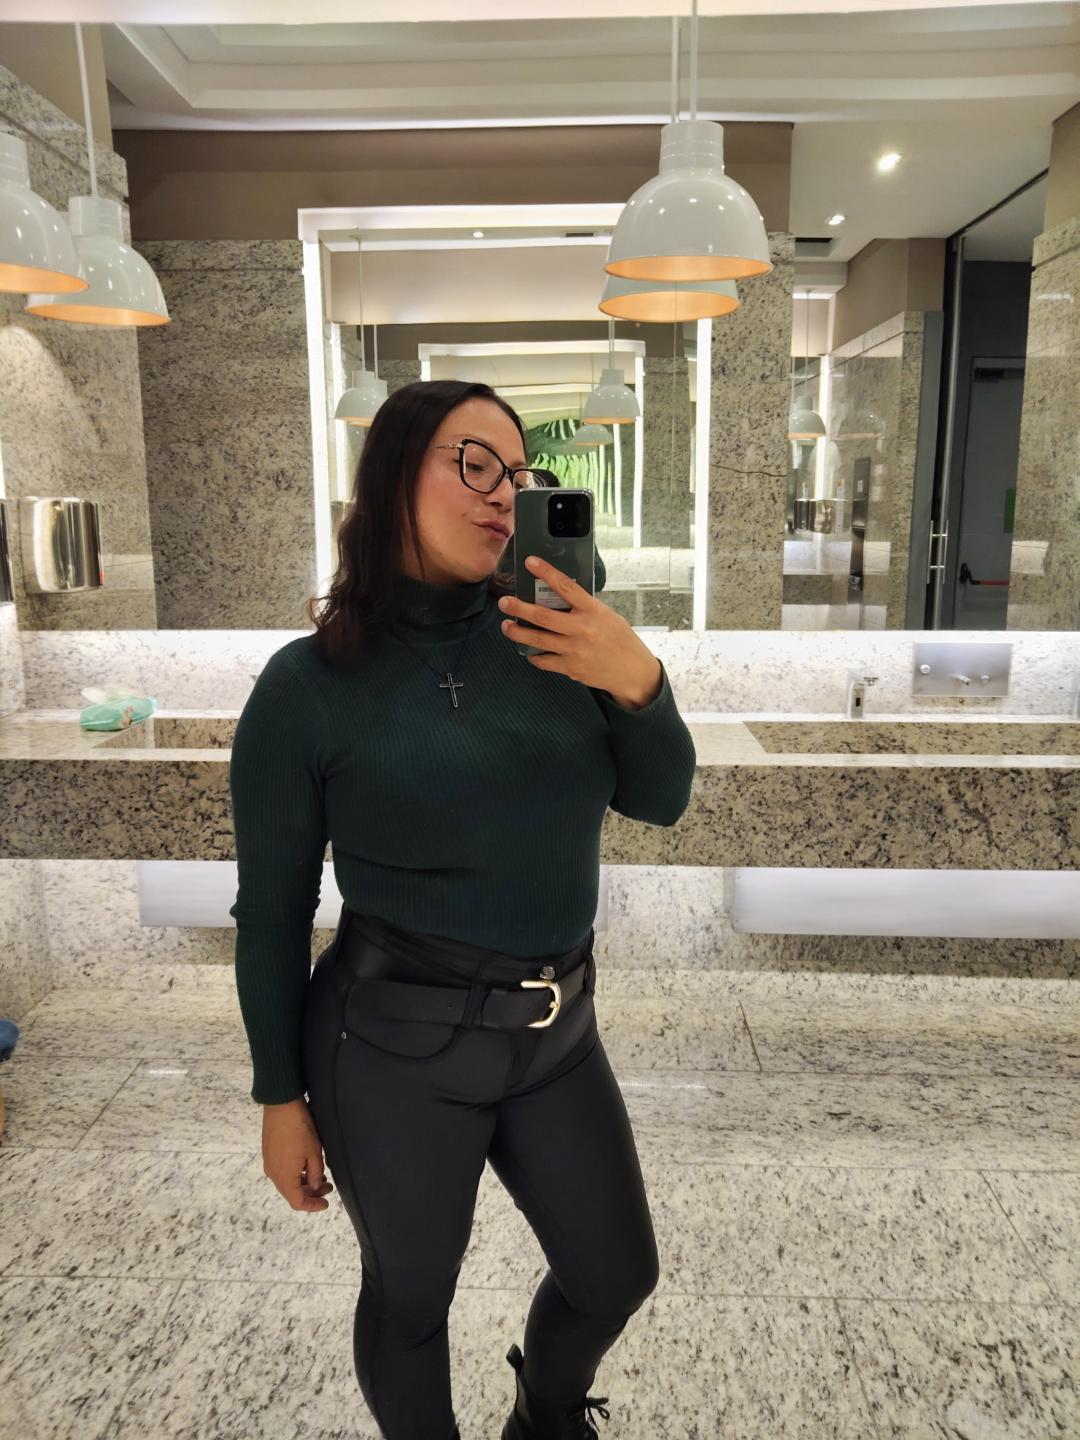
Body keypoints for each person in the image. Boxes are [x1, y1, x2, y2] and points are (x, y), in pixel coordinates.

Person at [227, 380, 697, 1439]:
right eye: (473, 462)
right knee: (410, 1300)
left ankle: (545, 1416)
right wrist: (278, 1095)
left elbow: (661, 799)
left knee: (615, 1275)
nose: (503, 492)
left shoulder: (559, 639)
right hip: (390, 1046)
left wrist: (637, 679)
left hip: (558, 1032)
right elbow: (273, 912)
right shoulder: (306, 688)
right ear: (395, 476)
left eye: (519, 472)